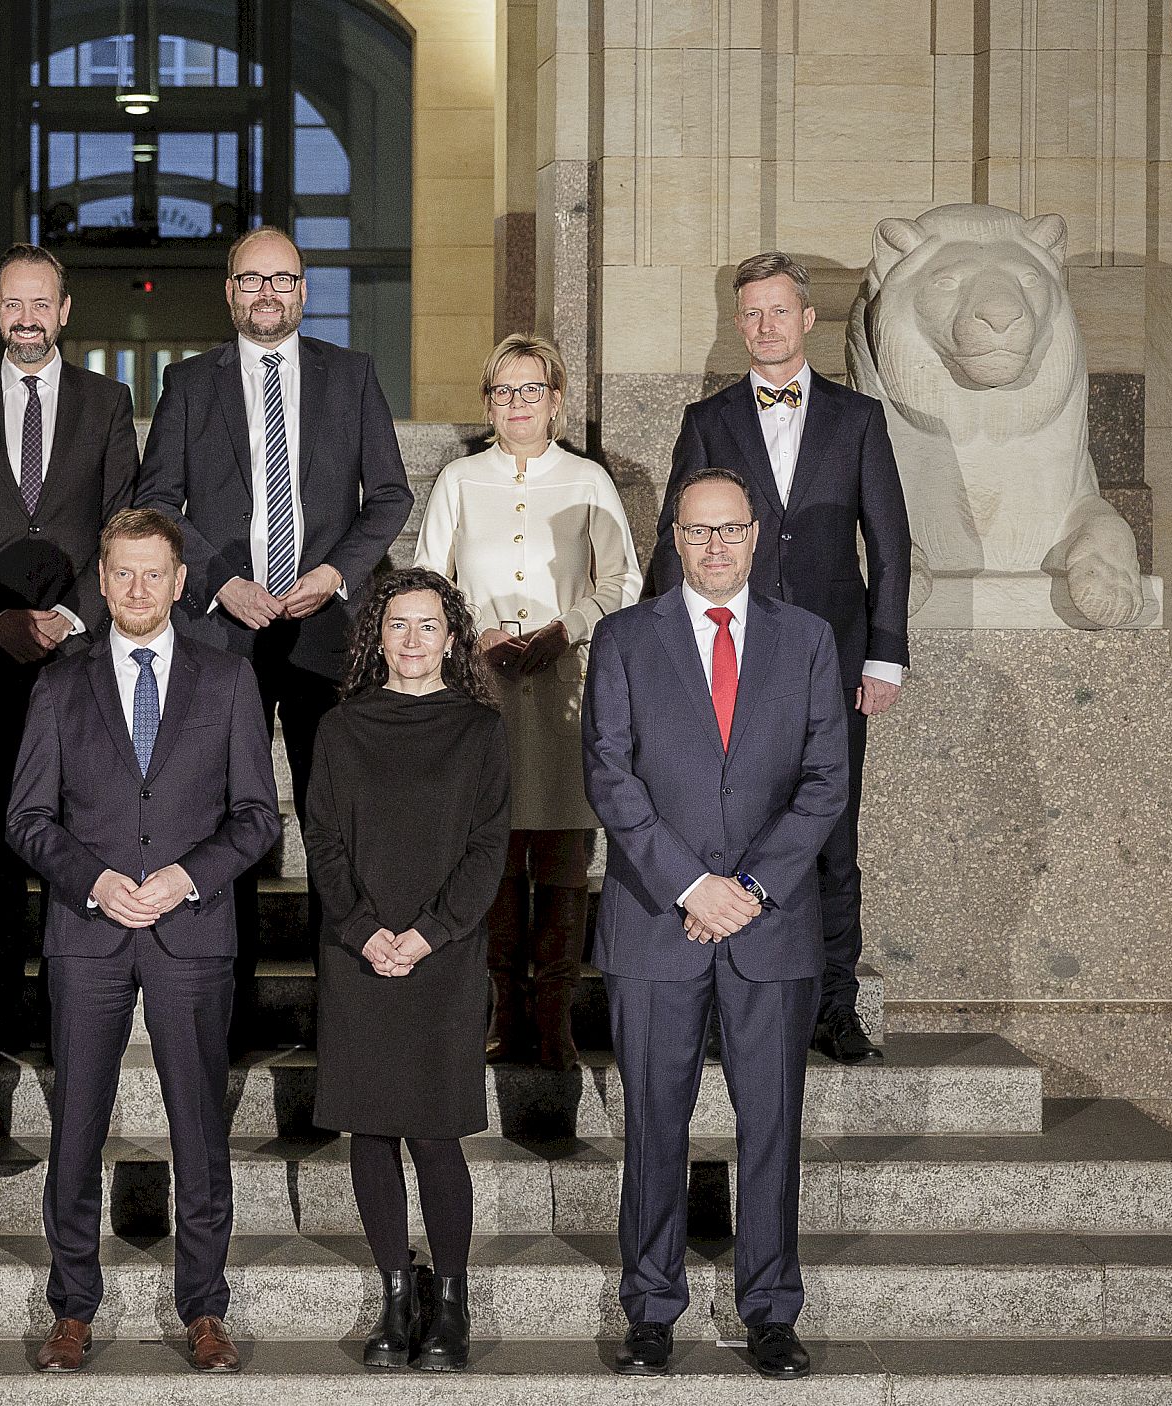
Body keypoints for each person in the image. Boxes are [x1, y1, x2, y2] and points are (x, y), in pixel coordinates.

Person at [586, 467, 849, 1381]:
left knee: (771, 1125)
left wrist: (750, 890)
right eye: (697, 532)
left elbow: (825, 784)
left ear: (757, 533)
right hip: (658, 921)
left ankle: (770, 1310)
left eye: (730, 530)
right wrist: (694, 885)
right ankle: (652, 1308)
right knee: (655, 1124)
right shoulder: (622, 639)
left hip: (770, 930)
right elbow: (610, 778)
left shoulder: (809, 640)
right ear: (673, 537)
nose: (714, 547)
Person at [7, 508, 281, 1375]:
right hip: (88, 933)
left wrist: (184, 877)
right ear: (102, 575)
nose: (136, 589)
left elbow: (256, 817)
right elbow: (28, 817)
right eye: (122, 573)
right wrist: (93, 879)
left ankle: (204, 1308)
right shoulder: (59, 683)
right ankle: (73, 1308)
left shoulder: (229, 680)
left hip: (192, 930)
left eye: (153, 573)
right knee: (77, 1126)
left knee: (199, 1129)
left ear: (179, 579)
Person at [136, 227, 413, 1042]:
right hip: (223, 638)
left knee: (336, 821)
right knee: (229, 824)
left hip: (327, 630)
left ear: (304, 290)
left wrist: (333, 575)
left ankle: (344, 1012)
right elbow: (157, 499)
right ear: (230, 291)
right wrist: (222, 580)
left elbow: (389, 497)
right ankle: (231, 1013)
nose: (267, 293)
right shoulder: (189, 381)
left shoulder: (349, 374)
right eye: (251, 279)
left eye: (282, 279)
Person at [650, 251, 910, 1065]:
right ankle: (729, 1007)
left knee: (832, 837)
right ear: (740, 326)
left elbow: (891, 542)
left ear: (807, 319)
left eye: (779, 312)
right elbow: (674, 542)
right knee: (731, 829)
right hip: (733, 658)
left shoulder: (858, 418)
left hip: (834, 661)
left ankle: (836, 1005)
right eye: (751, 315)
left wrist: (886, 657)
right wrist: (663, 658)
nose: (765, 327)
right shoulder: (708, 418)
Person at [0, 243, 140, 1054]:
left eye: (41, 303)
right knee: (2, 834)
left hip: (81, 655)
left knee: (78, 830)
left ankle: (75, 1010)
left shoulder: (109, 402)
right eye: (14, 303)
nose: (28, 318)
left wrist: (74, 616)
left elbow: (123, 524)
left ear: (65, 311)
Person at [302, 567, 511, 1373]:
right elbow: (322, 841)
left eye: (429, 626)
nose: (414, 641)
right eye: (398, 625)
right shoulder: (341, 727)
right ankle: (397, 1297)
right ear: (375, 637)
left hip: (445, 957)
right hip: (357, 954)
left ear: (452, 638)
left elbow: (489, 847)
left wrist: (424, 935)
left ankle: (448, 1301)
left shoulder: (480, 729)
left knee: (431, 1130)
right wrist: (364, 931)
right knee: (370, 1126)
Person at [415, 333, 641, 1068]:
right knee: (497, 853)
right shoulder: (458, 479)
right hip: (482, 695)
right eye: (503, 392)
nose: (517, 404)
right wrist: (472, 636)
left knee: (564, 855)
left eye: (531, 391)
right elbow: (428, 582)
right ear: (487, 402)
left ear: (556, 401)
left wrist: (565, 629)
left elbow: (623, 584)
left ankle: (554, 1015)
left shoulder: (586, 480)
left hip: (566, 691)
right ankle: (504, 1010)